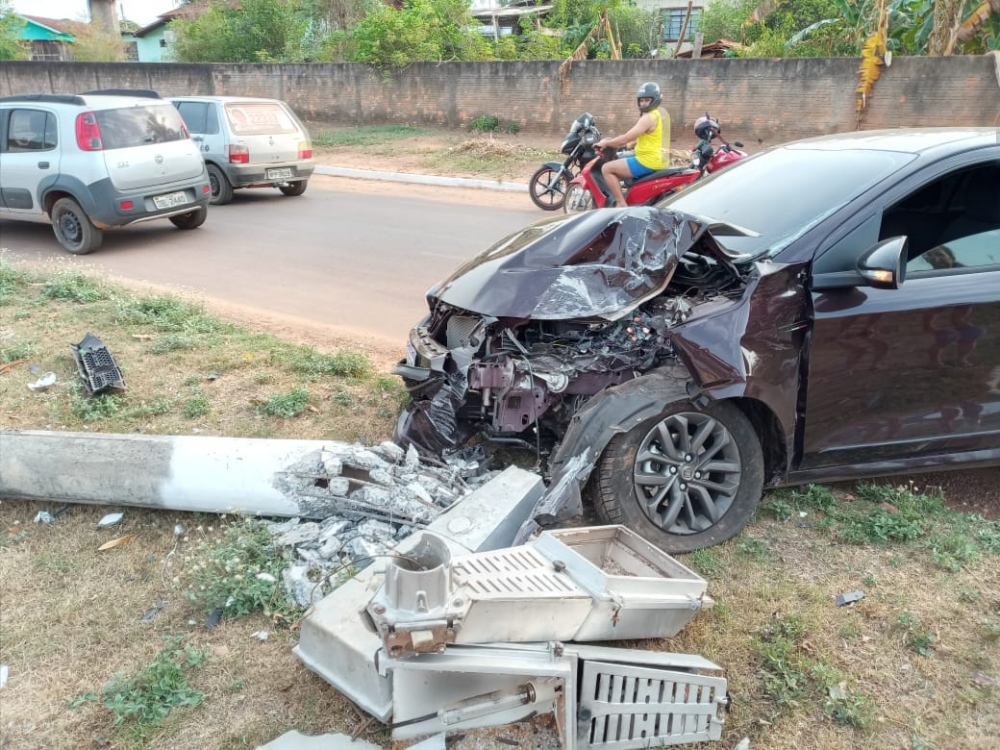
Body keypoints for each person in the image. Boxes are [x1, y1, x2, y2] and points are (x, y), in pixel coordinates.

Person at [594, 82, 671, 208]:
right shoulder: (657, 114)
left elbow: (625, 138)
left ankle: (620, 203)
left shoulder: (648, 118)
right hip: (654, 158)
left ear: (655, 100)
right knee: (621, 159)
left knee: (606, 169)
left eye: (647, 100)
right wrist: (633, 143)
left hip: (647, 160)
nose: (643, 103)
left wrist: (606, 142)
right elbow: (651, 135)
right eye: (641, 100)